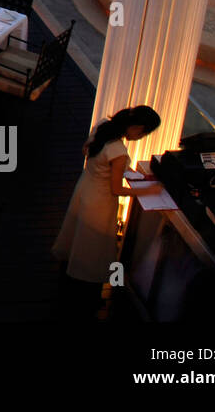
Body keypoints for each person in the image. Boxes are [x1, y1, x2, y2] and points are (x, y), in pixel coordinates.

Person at [52, 106, 162, 317]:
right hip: (100, 202)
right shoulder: (119, 151)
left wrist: (123, 171)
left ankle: (68, 282)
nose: (141, 137)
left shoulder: (102, 127)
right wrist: (148, 190)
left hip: (85, 188)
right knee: (95, 248)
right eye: (143, 133)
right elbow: (115, 189)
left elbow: (88, 151)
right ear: (137, 127)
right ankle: (88, 296)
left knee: (78, 238)